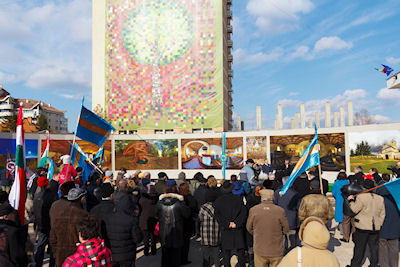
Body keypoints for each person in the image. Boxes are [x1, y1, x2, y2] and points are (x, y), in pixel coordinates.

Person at [346, 179, 385, 267]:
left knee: (359, 248)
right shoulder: (380, 198)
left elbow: (354, 209)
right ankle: (374, 264)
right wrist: (380, 223)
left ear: (363, 187)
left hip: (362, 226)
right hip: (375, 227)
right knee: (374, 248)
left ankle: (355, 265)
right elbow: (383, 213)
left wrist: (351, 201)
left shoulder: (361, 197)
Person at [247, 189, 289, 267]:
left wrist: (257, 233)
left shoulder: (254, 210)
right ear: (273, 198)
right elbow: (286, 229)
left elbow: (249, 227)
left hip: (260, 248)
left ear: (261, 198)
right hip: (276, 249)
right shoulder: (280, 210)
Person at [50, 188, 89, 267]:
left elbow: (52, 238)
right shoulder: (84, 216)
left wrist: (56, 254)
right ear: (81, 199)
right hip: (79, 259)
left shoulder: (59, 215)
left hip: (62, 257)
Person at [104, 189, 143, 267]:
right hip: (128, 256)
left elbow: (104, 236)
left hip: (112, 255)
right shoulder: (132, 219)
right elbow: (137, 239)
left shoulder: (108, 218)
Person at [214, 181, 247, 267]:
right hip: (237, 228)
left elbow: (217, 216)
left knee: (226, 253)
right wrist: (236, 223)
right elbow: (244, 213)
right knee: (240, 252)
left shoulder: (218, 201)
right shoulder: (238, 199)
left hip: (226, 229)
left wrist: (226, 224)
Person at [156, 184, 191, 267]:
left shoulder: (159, 203)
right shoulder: (179, 203)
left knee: (165, 256)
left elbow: (156, 214)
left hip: (164, 233)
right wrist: (182, 201)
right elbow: (187, 214)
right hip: (177, 232)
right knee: (176, 256)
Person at [33, 176, 58, 267]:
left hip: (40, 226)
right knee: (52, 247)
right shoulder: (51, 196)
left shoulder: (36, 196)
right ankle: (51, 264)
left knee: (40, 246)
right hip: (50, 225)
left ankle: (38, 264)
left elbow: (34, 211)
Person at [376, 174, 400, 267]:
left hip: (383, 227)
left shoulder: (379, 200)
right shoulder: (396, 200)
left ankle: (384, 265)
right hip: (395, 228)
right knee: (394, 249)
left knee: (383, 249)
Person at [274, 176, 301, 252]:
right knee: (291, 241)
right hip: (291, 220)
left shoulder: (277, 192)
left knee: (281, 240)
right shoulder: (295, 193)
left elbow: (274, 204)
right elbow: (299, 207)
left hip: (279, 219)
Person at [198, 190, 221, 267]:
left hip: (205, 233)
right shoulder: (218, 207)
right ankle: (217, 265)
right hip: (216, 232)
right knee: (216, 252)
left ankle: (206, 265)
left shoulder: (203, 207)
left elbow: (200, 218)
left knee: (206, 253)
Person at [178, 182, 198, 265]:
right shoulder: (191, 198)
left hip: (179, 223)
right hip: (188, 223)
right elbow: (195, 209)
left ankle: (179, 258)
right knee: (186, 243)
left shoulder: (178, 199)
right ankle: (184, 259)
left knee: (179, 242)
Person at [245, 185, 264, 267]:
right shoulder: (263, 203)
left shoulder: (249, 201)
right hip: (260, 227)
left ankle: (251, 262)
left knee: (251, 247)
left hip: (251, 227)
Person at [138, 180, 158, 256]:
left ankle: (146, 251)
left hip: (144, 220)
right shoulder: (156, 199)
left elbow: (139, 207)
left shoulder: (143, 199)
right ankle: (153, 250)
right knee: (153, 236)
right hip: (154, 219)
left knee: (146, 237)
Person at [332, 171, 349, 237]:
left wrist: (336, 197)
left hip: (339, 200)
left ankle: (341, 228)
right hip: (346, 200)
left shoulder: (336, 183)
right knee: (345, 214)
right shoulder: (347, 182)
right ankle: (344, 230)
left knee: (339, 214)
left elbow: (334, 192)